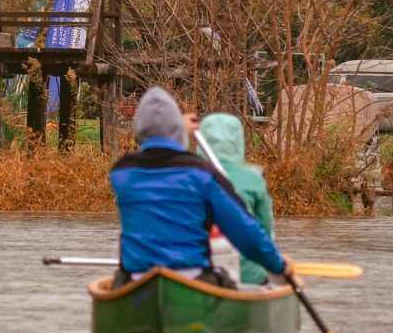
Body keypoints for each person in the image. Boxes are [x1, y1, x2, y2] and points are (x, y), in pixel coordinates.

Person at [110, 88, 293, 289]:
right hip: (193, 280)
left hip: (137, 282)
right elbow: (245, 232)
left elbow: (156, 150)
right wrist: (279, 266)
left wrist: (177, 127)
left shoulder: (121, 173)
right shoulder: (202, 174)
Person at [196, 112, 276, 287]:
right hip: (248, 277)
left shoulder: (187, 178)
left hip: (197, 276)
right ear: (238, 143)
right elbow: (266, 233)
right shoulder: (253, 179)